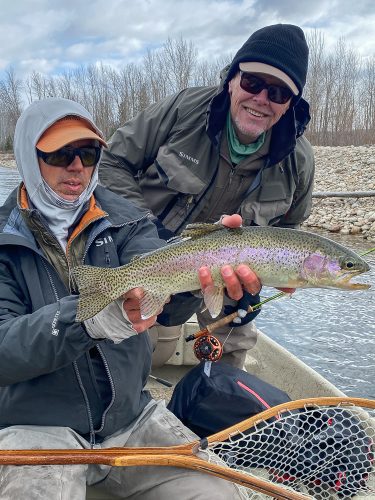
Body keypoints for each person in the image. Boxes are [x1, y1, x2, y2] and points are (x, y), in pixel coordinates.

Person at [0, 97, 259, 499]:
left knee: (222, 493)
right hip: (35, 427)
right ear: (27, 157)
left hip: (132, 419)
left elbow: (160, 292)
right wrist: (86, 319)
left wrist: (196, 275)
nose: (77, 167)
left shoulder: (127, 218)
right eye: (60, 154)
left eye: (87, 153)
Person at [99, 23, 314, 368]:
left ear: (290, 104)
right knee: (116, 355)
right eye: (253, 82)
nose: (261, 98)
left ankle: (220, 403)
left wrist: (282, 276)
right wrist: (141, 237)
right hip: (144, 254)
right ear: (231, 80)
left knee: (232, 360)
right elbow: (111, 162)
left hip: (231, 282)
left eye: (278, 93)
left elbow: (291, 229)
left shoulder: (299, 161)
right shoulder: (185, 110)